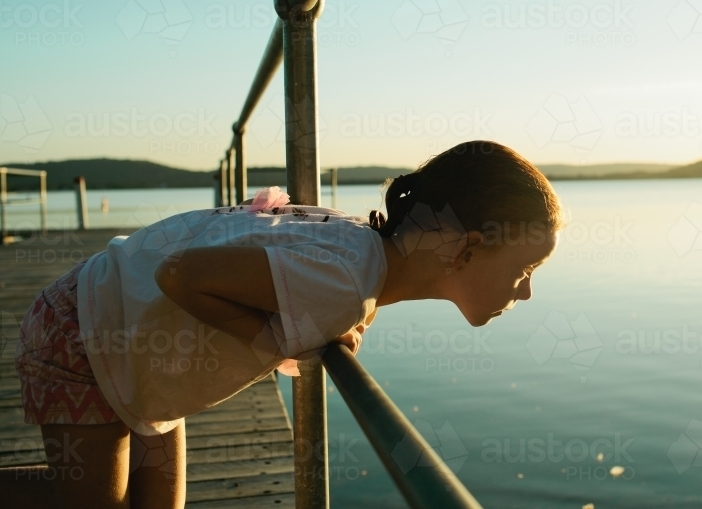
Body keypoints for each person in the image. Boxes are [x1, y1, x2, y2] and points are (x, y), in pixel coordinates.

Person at [1, 141, 563, 509]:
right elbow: (181, 275)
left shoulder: (359, 257)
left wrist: (318, 326)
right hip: (82, 336)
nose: (528, 288)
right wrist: (279, 342)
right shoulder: (347, 280)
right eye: (525, 268)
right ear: (467, 248)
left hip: (133, 341)